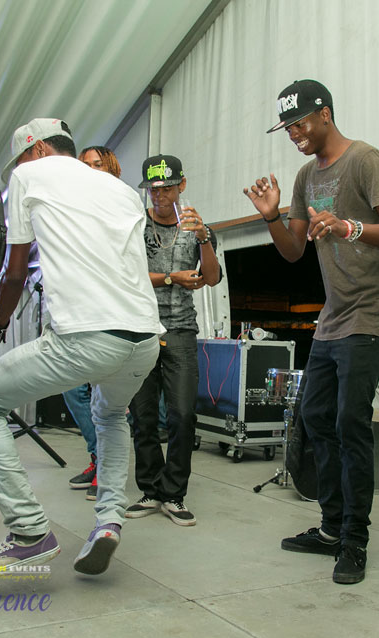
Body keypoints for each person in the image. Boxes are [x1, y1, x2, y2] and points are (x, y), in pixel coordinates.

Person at [0, 118, 162, 578]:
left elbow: (14, 271)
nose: (19, 167)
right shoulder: (121, 190)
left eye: (20, 159)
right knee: (111, 416)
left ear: (36, 150)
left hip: (87, 337)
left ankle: (29, 532)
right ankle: (108, 521)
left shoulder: (29, 176)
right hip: (144, 338)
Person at [243, 79, 379, 585]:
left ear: (325, 114)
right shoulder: (304, 176)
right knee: (315, 414)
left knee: (349, 421)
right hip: (334, 316)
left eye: (299, 123)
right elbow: (293, 250)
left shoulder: (364, 160)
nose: (294, 134)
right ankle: (331, 527)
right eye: (287, 128)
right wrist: (272, 217)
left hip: (371, 312)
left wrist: (348, 227)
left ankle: (354, 540)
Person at [124, 154, 221, 528]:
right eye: (152, 189)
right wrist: (170, 278)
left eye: (166, 188)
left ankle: (174, 493)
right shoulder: (136, 227)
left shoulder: (197, 228)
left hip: (180, 331)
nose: (159, 195)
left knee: (182, 414)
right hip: (142, 328)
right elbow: (128, 275)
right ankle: (150, 489)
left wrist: (204, 238)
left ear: (182, 185)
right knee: (144, 416)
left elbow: (211, 278)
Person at [66, 145, 124, 501]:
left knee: (104, 396)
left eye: (97, 164)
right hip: (81, 310)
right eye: (84, 165)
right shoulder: (77, 207)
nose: (90, 169)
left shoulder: (122, 204)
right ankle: (97, 457)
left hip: (113, 313)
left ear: (111, 168)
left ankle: (107, 466)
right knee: (72, 387)